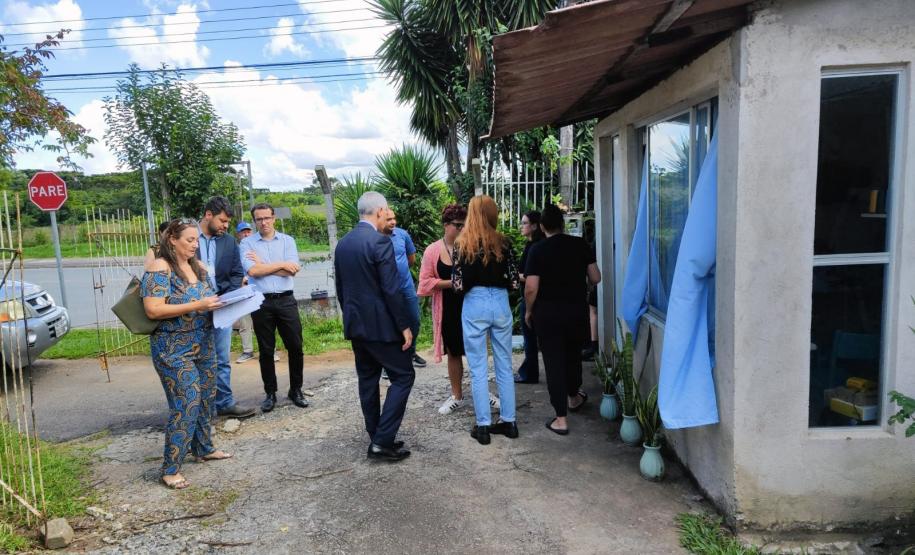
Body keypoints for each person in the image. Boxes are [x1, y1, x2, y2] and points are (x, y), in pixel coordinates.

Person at [141, 218, 231, 490]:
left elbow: (208, 300)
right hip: (172, 349)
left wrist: (220, 305)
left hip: (203, 343)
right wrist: (197, 304)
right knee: (187, 401)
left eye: (196, 240)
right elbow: (153, 310)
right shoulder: (160, 267)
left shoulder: (198, 268)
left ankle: (203, 448)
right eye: (189, 240)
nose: (195, 245)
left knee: (206, 398)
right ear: (172, 240)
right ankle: (170, 468)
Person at [334, 192, 414, 462]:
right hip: (382, 328)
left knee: (368, 380)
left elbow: (341, 289)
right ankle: (381, 441)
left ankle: (377, 434)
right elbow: (391, 290)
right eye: (386, 212)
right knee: (403, 377)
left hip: (357, 326)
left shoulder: (343, 243)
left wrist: (352, 318)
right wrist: (403, 325)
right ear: (379, 211)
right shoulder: (380, 242)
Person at [524, 204, 601, 435]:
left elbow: (530, 288)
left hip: (548, 316)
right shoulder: (580, 245)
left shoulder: (537, 250)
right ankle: (573, 397)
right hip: (576, 312)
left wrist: (529, 311)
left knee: (554, 362)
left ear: (544, 226)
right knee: (573, 357)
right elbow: (596, 277)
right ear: (562, 224)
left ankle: (560, 419)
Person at [452, 195, 517, 445]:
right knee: (504, 364)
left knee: (478, 367)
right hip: (499, 301)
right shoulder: (504, 242)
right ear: (492, 214)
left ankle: (483, 427)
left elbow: (457, 285)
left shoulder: (462, 244)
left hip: (474, 302)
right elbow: (513, 281)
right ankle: (509, 422)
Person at [420, 204, 495, 416]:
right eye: (457, 225)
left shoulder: (473, 247)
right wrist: (453, 282)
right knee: (453, 352)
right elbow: (424, 284)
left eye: (465, 225)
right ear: (446, 225)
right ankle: (457, 396)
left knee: (477, 351)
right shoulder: (433, 250)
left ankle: (483, 393)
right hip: (449, 309)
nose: (462, 229)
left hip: (473, 306)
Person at [239, 203, 308, 413]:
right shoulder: (246, 243)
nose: (264, 222)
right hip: (261, 302)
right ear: (255, 221)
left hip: (286, 300)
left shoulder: (288, 241)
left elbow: (292, 271)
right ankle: (270, 393)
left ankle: (296, 390)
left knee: (295, 347)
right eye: (259, 219)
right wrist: (279, 265)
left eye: (267, 218)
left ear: (274, 218)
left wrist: (264, 266)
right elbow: (253, 271)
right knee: (266, 350)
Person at [197, 197, 255, 419]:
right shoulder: (188, 237)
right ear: (208, 214)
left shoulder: (229, 241)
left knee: (222, 358)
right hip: (194, 308)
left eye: (227, 222)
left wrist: (227, 297)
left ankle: (224, 402)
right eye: (222, 220)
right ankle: (202, 409)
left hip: (221, 306)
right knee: (198, 359)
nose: (225, 226)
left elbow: (237, 272)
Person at [381, 209, 426, 368]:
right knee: (389, 323)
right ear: (380, 220)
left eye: (394, 218)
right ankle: (390, 362)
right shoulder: (375, 238)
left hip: (406, 286)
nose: (393, 222)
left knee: (414, 319)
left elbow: (411, 258)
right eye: (388, 219)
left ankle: (411, 352)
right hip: (385, 290)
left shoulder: (402, 235)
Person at [515, 210, 544, 384]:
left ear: (534, 226)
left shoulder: (534, 246)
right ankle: (528, 370)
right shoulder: (533, 244)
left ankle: (530, 373)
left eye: (525, 223)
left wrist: (513, 276)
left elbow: (529, 276)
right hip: (535, 296)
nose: (522, 226)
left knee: (530, 338)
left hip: (532, 297)